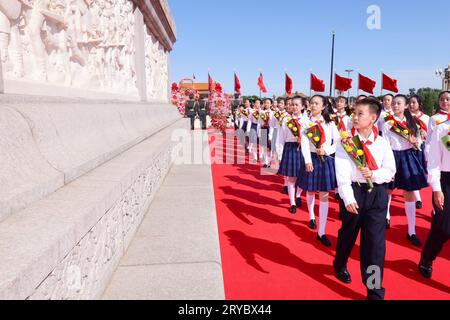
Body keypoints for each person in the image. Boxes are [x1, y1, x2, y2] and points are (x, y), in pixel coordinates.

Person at [333, 98, 396, 301]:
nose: (355, 117)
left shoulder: (383, 143)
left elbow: (390, 171)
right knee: (348, 235)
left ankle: (374, 291)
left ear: (373, 118)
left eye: (360, 113)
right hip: (354, 193)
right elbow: (341, 173)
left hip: (377, 196)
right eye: (355, 113)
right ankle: (340, 262)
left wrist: (373, 174)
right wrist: (348, 197)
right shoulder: (347, 143)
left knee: (374, 247)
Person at [383, 95, 428, 245]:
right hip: (392, 156)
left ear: (406, 105)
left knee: (409, 193)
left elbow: (419, 141)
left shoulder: (412, 122)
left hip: (408, 156)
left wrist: (416, 142)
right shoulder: (388, 123)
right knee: (388, 189)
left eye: (399, 103)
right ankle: (386, 217)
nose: (395, 106)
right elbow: (386, 143)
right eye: (394, 103)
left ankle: (411, 231)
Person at [298, 95, 340, 247]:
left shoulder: (330, 123)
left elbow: (338, 141)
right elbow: (303, 143)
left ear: (323, 106)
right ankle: (311, 216)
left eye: (317, 103)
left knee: (324, 194)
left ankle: (321, 231)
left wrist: (327, 150)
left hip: (326, 159)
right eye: (312, 103)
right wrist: (308, 160)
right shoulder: (305, 122)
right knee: (310, 191)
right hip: (312, 159)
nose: (313, 105)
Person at [419, 92, 450, 279]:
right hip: (446, 181)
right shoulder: (442, 128)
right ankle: (427, 257)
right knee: (442, 228)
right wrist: (436, 188)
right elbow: (434, 163)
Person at [277, 98, 306, 213]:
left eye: (297, 105)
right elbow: (281, 138)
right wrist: (280, 153)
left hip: (304, 150)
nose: (294, 107)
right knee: (291, 178)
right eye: (292, 105)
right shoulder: (286, 120)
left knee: (303, 176)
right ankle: (292, 202)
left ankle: (298, 194)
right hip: (290, 148)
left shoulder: (307, 120)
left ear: (303, 106)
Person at [408, 95, 430, 209]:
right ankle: (418, 199)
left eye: (414, 102)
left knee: (422, 172)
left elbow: (431, 133)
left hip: (422, 147)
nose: (411, 105)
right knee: (412, 173)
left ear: (419, 104)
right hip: (409, 149)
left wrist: (426, 134)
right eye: (410, 102)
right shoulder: (405, 117)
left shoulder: (426, 117)